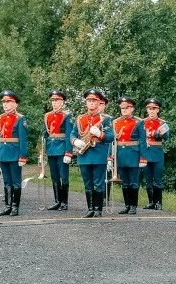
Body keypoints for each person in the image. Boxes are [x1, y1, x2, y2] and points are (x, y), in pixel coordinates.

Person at [66, 89, 113, 218]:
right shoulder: (80, 118)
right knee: (87, 182)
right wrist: (74, 141)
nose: (91, 103)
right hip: (84, 154)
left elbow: (111, 137)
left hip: (98, 154)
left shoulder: (106, 119)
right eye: (89, 100)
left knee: (98, 182)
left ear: (99, 102)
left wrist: (100, 134)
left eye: (94, 100)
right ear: (86, 102)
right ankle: (90, 209)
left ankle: (98, 210)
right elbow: (72, 134)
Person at [0, 90, 28, 217]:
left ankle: (15, 207)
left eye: (8, 102)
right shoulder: (0, 118)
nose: (5, 104)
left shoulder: (20, 119)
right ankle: (7, 206)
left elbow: (23, 139)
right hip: (3, 153)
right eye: (3, 102)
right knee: (6, 181)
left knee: (15, 181)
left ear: (15, 104)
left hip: (14, 153)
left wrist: (23, 156)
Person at [113, 96, 147, 215]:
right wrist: (110, 157)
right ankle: (127, 205)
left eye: (126, 108)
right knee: (124, 182)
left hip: (133, 154)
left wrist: (143, 158)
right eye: (122, 108)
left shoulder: (139, 122)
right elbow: (113, 141)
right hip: (121, 154)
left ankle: (133, 206)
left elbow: (143, 141)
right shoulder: (116, 122)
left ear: (132, 108)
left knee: (133, 182)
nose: (124, 110)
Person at [43, 90, 72, 211]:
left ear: (62, 102)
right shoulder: (47, 116)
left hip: (62, 149)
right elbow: (46, 133)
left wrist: (68, 152)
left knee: (63, 176)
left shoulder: (67, 116)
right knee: (54, 176)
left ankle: (64, 202)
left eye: (57, 100)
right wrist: (43, 149)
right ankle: (57, 201)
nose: (55, 103)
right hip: (51, 148)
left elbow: (69, 134)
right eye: (53, 100)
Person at [141, 97, 169, 210]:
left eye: (154, 108)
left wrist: (159, 133)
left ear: (158, 110)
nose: (151, 111)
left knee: (158, 179)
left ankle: (158, 203)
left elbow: (166, 137)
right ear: (147, 109)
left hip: (157, 153)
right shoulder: (142, 123)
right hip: (146, 153)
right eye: (149, 108)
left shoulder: (162, 123)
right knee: (147, 179)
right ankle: (151, 202)